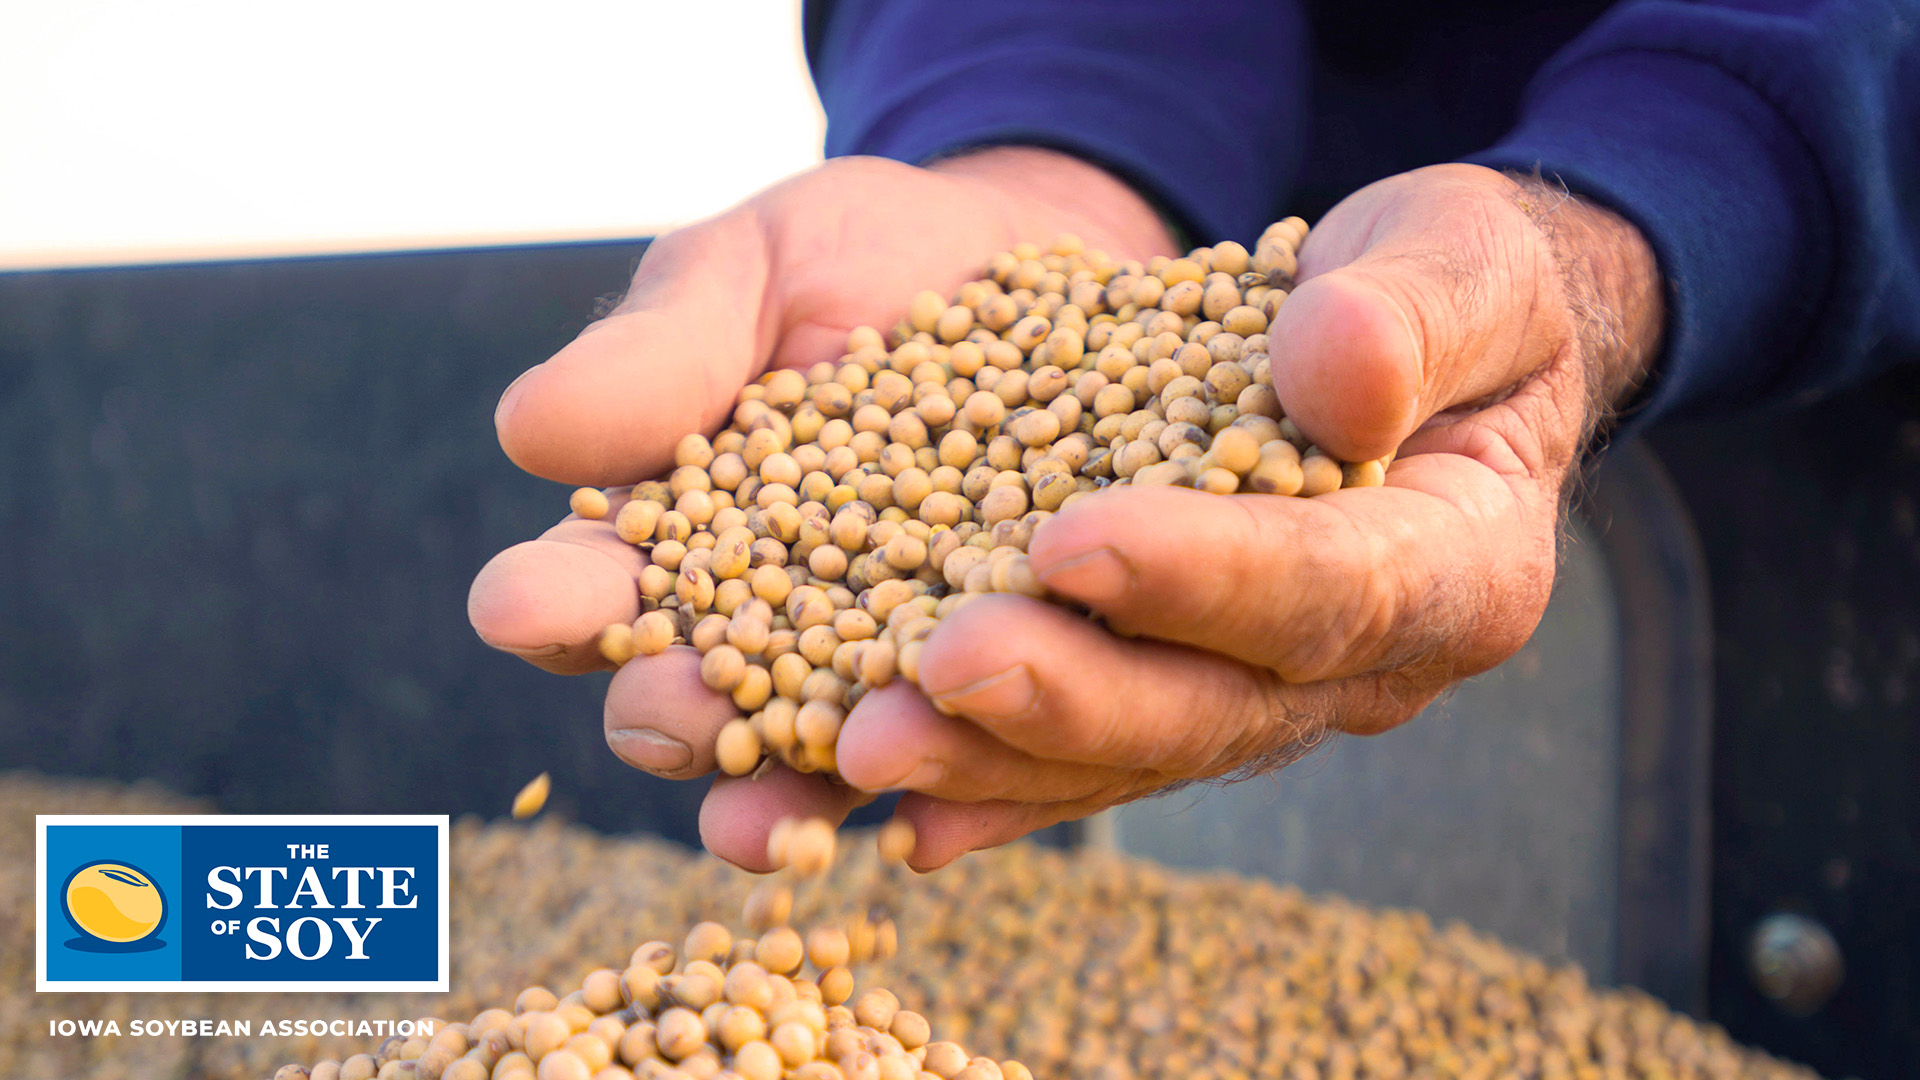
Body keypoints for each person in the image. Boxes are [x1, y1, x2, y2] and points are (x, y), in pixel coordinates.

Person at [468, 0, 1919, 871]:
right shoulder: (972, 407)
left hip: (1828, 309)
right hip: (1257, 284)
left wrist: (1660, 203)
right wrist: (1041, 128)